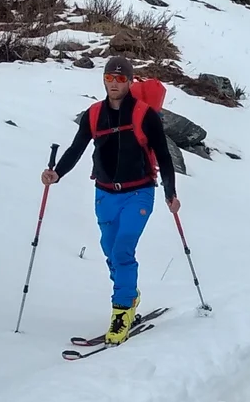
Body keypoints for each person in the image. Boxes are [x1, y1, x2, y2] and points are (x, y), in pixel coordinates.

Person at [42, 57, 179, 343]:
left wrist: (170, 193)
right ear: (104, 80)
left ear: (130, 82)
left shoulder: (145, 115)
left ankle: (122, 312)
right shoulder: (93, 114)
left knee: (122, 249)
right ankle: (130, 294)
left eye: (120, 79)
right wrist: (57, 174)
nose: (114, 84)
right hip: (105, 194)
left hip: (139, 192)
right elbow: (76, 149)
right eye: (109, 78)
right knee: (110, 250)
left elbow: (164, 157)